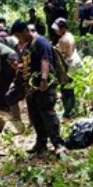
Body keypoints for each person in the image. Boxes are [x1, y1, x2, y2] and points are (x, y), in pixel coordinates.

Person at [10, 19, 65, 154]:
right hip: (31, 86)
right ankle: (41, 143)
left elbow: (45, 60)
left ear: (25, 31)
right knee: (35, 115)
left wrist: (44, 80)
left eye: (19, 36)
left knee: (47, 113)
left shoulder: (40, 42)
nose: (19, 39)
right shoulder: (28, 46)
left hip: (43, 84)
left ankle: (58, 144)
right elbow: (29, 63)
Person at [52, 18, 82, 118]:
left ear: (63, 28)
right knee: (71, 87)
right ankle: (72, 108)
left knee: (66, 88)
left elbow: (60, 55)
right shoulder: (69, 35)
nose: (56, 31)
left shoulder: (62, 40)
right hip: (75, 60)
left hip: (70, 63)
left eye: (57, 29)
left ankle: (67, 112)